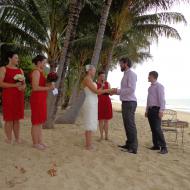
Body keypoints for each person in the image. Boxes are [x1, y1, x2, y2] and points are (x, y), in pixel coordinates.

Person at [82, 65, 112, 150]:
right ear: (89, 71)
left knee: (90, 122)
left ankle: (89, 144)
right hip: (90, 102)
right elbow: (96, 92)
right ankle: (88, 145)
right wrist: (107, 90)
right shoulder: (87, 79)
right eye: (94, 70)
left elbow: (96, 91)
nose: (94, 72)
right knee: (89, 122)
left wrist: (104, 88)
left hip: (93, 102)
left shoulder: (90, 79)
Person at [112, 57, 138, 154]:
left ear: (125, 63)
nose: (120, 66)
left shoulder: (131, 74)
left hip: (130, 102)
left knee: (130, 125)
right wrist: (115, 92)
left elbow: (131, 90)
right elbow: (125, 90)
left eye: (120, 64)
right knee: (127, 124)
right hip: (126, 102)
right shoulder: (126, 74)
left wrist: (117, 91)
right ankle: (129, 144)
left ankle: (133, 147)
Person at [0, 51, 25, 144]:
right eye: (16, 58)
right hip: (8, 96)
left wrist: (22, 87)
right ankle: (9, 138)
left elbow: (24, 85)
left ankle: (17, 138)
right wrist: (14, 86)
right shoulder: (3, 69)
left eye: (17, 58)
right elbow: (1, 83)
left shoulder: (20, 70)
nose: (17, 59)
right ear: (10, 58)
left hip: (18, 96)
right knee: (9, 119)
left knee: (17, 119)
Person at [30, 55, 54, 150]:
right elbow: (35, 87)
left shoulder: (42, 72)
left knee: (40, 121)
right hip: (37, 99)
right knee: (36, 122)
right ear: (39, 62)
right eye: (44, 62)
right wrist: (48, 88)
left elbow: (43, 84)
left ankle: (40, 141)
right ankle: (35, 143)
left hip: (42, 98)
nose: (45, 64)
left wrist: (51, 82)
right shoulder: (36, 72)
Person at [145, 71, 168, 154]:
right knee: (153, 129)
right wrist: (146, 110)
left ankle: (164, 147)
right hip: (150, 110)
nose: (148, 77)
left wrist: (161, 110)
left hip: (156, 110)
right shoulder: (150, 88)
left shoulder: (159, 86)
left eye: (149, 76)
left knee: (158, 129)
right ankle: (156, 145)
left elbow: (162, 100)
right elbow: (148, 100)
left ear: (153, 77)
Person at [96, 71, 113, 140]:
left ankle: (106, 136)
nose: (103, 77)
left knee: (106, 120)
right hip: (100, 102)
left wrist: (112, 90)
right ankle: (101, 136)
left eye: (104, 76)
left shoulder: (107, 83)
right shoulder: (96, 84)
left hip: (107, 101)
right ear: (99, 76)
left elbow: (110, 93)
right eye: (101, 76)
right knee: (100, 120)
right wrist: (102, 87)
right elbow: (97, 93)